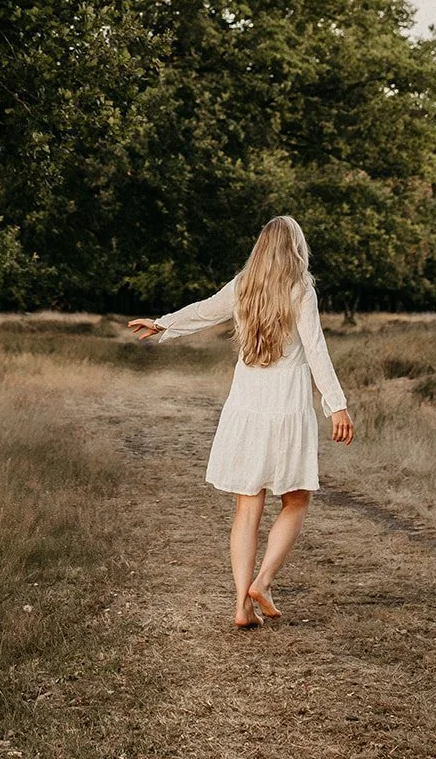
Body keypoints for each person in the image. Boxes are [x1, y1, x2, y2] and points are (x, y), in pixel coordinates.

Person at [128, 214, 355, 629]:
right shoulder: (301, 288)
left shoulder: (243, 284)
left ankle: (240, 606)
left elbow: (203, 311)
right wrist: (336, 405)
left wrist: (162, 323)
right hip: (287, 406)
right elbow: (316, 349)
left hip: (247, 406)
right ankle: (263, 583)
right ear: (296, 248)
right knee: (296, 498)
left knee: (247, 505)